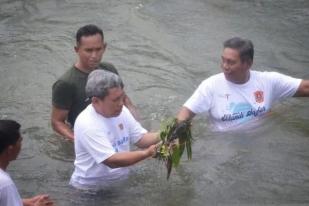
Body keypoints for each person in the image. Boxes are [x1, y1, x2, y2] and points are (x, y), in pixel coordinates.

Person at [177, 37, 309, 131]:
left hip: (261, 142)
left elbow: (305, 87)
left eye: (231, 62)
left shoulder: (268, 81)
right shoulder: (211, 86)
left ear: (248, 64)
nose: (224, 66)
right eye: (223, 60)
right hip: (222, 147)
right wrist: (177, 133)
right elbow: (186, 112)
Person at [69, 70, 160, 191]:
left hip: (119, 183)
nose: (121, 104)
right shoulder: (87, 124)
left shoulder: (121, 111)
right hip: (89, 191)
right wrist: (147, 153)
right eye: (115, 100)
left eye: (122, 98)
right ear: (96, 101)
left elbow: (141, 139)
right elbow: (112, 161)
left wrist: (168, 132)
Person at [52, 24, 138, 141]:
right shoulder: (66, 83)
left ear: (104, 47)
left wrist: (136, 124)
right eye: (88, 50)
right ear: (77, 50)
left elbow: (124, 99)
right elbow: (57, 122)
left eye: (98, 49)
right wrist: (79, 140)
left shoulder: (109, 69)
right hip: (88, 134)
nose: (94, 56)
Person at [0, 120, 55, 206]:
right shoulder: (5, 183)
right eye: (19, 141)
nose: (21, 145)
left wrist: (25, 202)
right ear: (10, 150)